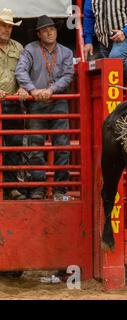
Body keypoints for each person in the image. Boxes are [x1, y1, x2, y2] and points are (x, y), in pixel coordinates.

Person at [15, 15, 74, 200]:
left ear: (56, 31)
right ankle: (37, 189)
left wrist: (51, 89)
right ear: (39, 34)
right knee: (35, 147)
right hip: (37, 102)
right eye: (45, 30)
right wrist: (32, 90)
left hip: (57, 101)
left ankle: (60, 189)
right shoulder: (30, 49)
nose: (50, 32)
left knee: (62, 146)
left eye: (52, 29)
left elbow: (68, 76)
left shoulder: (66, 52)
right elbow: (20, 70)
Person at [0, 8, 29, 200]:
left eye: (9, 26)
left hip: (11, 101)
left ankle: (10, 186)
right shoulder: (19, 47)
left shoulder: (19, 48)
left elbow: (25, 71)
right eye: (3, 25)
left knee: (13, 145)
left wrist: (24, 87)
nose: (6, 29)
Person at [83, 0, 127, 84]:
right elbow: (88, 17)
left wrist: (125, 32)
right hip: (104, 40)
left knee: (115, 57)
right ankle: (123, 92)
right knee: (111, 70)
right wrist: (88, 41)